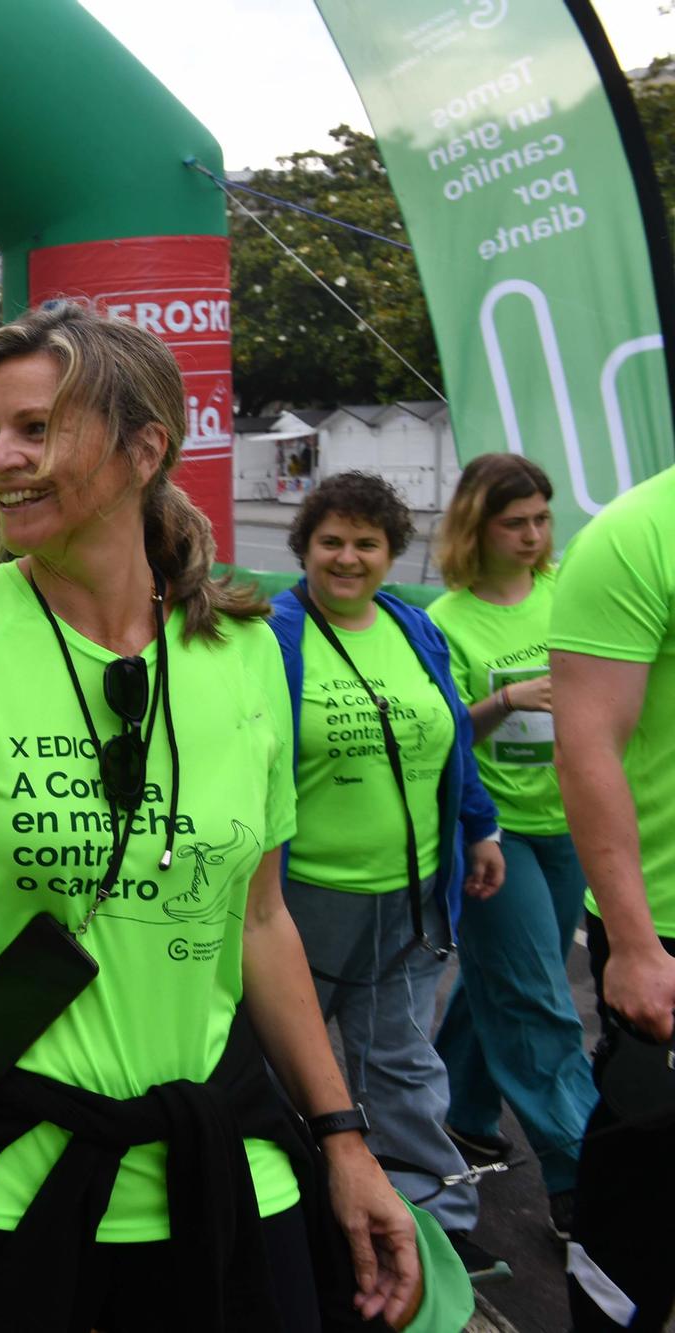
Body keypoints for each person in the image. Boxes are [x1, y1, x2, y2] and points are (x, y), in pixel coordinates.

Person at [0, 306, 432, 1333]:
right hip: (1, 1183)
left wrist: (343, 1138)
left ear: (142, 449)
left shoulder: (242, 649)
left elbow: (258, 921)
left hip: (223, 1177)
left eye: (33, 429)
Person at [267, 470, 507, 1281]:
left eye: (366, 542)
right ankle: (285, 1225)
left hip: (411, 897)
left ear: (391, 552)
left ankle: (436, 1227)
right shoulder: (273, 633)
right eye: (331, 540)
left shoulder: (414, 627)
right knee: (279, 1073)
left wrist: (479, 827)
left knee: (404, 1068)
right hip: (298, 907)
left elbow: (451, 745)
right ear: (305, 547)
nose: (347, 556)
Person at [424, 454, 594, 1242]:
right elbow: (442, 736)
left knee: (507, 978)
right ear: (477, 527)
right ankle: (585, 1178)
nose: (532, 536)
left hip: (574, 823)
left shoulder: (569, 595)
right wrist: (505, 698)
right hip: (495, 832)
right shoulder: (449, 620)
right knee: (536, 1002)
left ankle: (460, 1113)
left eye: (541, 520)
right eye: (514, 522)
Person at [551, 462, 675, 1333]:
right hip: (666, 929)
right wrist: (632, 944)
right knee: (647, 1179)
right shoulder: (638, 533)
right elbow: (587, 746)